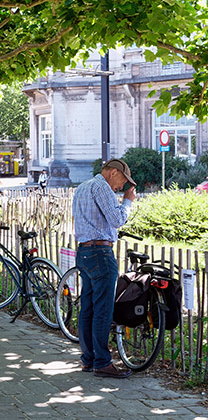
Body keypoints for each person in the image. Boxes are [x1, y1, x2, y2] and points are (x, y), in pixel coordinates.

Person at [72, 158, 137, 378]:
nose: (121, 187)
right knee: (102, 309)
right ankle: (102, 361)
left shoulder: (82, 187)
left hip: (84, 252)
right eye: (122, 180)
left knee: (87, 308)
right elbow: (117, 219)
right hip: (100, 253)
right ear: (112, 173)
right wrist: (127, 201)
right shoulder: (102, 187)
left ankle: (88, 359)